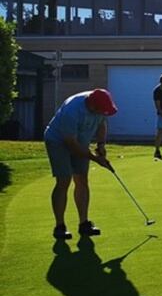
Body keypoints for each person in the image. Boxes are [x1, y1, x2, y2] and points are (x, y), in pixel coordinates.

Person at [44, 89, 117, 240]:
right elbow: (71, 144)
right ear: (92, 105)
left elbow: (102, 125)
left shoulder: (100, 106)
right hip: (58, 141)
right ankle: (60, 226)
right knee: (64, 180)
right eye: (100, 110)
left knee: (82, 179)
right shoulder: (72, 110)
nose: (102, 113)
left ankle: (84, 224)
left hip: (80, 141)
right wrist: (96, 159)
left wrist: (101, 145)